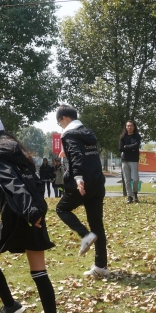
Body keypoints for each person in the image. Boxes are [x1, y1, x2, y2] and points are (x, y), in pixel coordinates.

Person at [0, 116, 64, 313]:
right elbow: (35, 184)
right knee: (39, 272)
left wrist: (31, 212)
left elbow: (12, 183)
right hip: (33, 214)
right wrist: (37, 210)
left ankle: (10, 305)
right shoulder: (18, 152)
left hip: (18, 217)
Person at [54, 105, 109, 277]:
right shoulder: (87, 132)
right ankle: (101, 267)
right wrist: (67, 152)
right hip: (97, 182)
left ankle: (85, 235)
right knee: (97, 226)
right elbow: (84, 153)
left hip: (83, 183)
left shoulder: (69, 134)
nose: (60, 126)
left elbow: (77, 155)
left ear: (65, 118)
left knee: (61, 209)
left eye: (59, 123)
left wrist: (78, 178)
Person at [119, 120, 141, 204]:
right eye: (128, 126)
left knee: (135, 179)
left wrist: (126, 147)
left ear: (134, 127)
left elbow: (136, 146)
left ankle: (135, 193)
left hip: (134, 160)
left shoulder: (137, 136)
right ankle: (129, 197)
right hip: (125, 160)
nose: (129, 127)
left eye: (131, 126)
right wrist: (131, 148)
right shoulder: (123, 137)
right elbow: (121, 148)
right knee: (127, 180)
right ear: (126, 127)